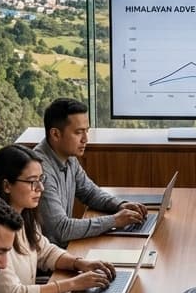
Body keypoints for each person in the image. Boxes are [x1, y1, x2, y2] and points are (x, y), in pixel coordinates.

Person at [0, 145, 116, 293]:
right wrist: (71, 284)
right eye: (32, 181)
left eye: (41, 179)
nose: (41, 188)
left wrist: (79, 263)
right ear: (7, 185)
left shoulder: (23, 215)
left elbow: (45, 251)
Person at [35, 98, 148, 245]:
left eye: (86, 131)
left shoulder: (68, 156)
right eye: (78, 132)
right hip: (49, 262)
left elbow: (89, 192)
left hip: (63, 252)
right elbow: (61, 229)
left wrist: (120, 205)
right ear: (56, 134)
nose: (85, 139)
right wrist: (114, 220)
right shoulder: (39, 170)